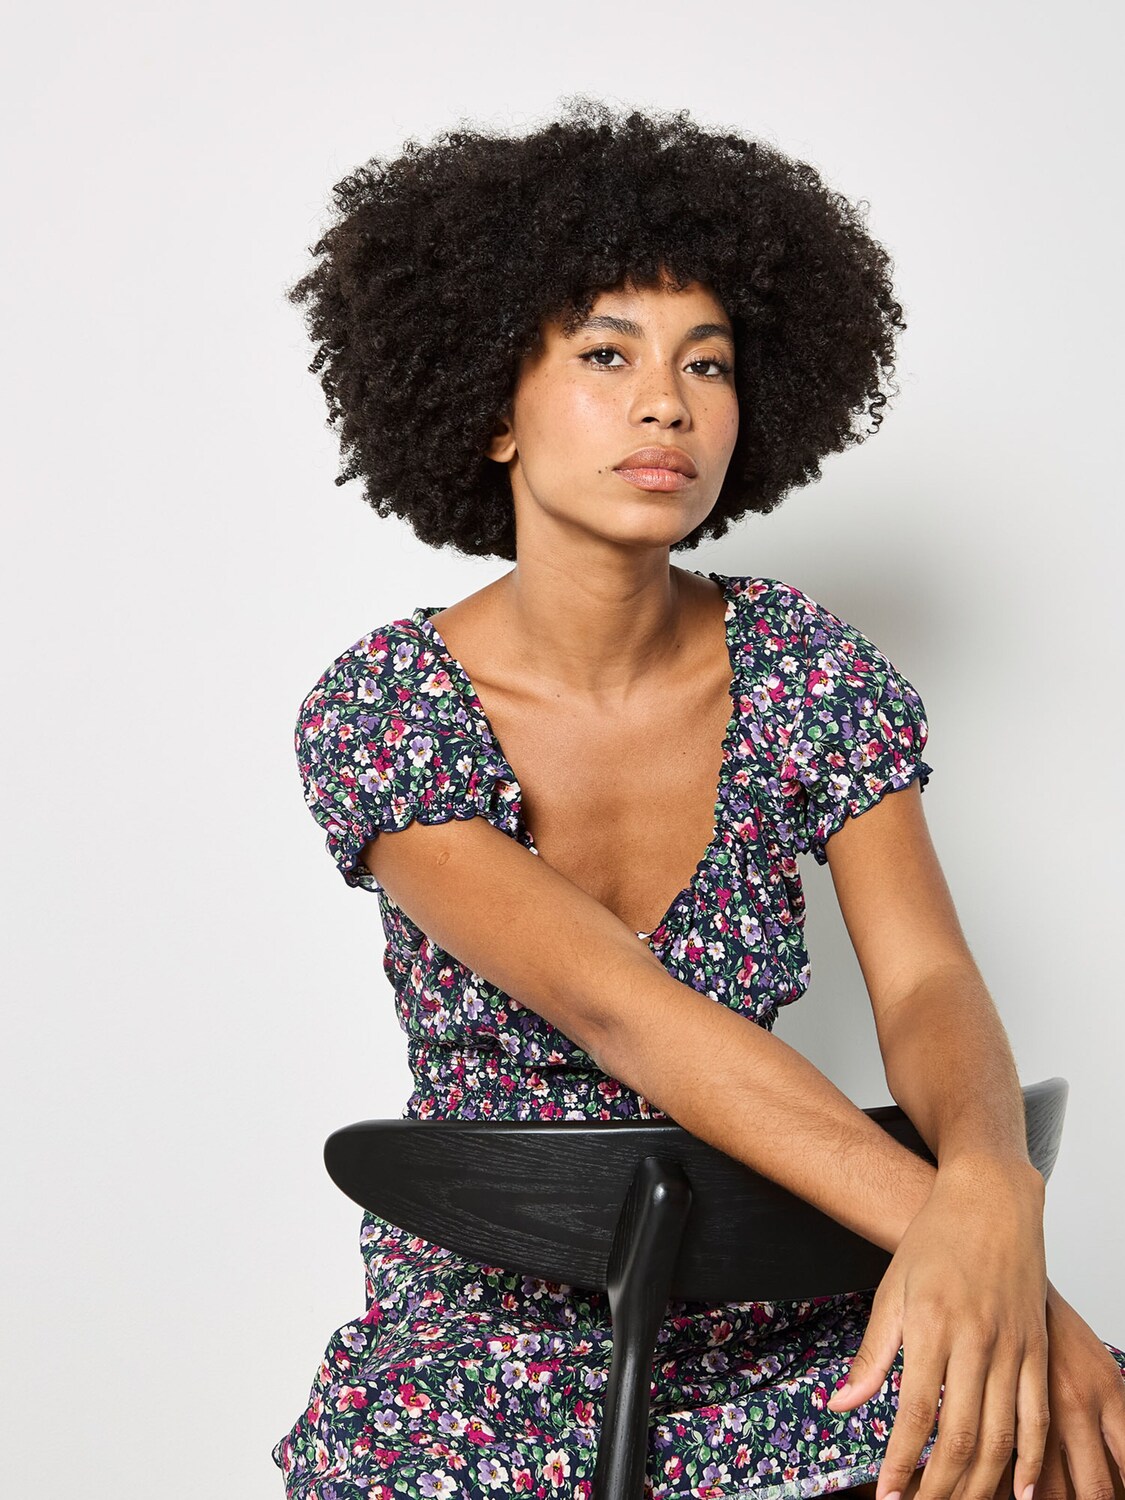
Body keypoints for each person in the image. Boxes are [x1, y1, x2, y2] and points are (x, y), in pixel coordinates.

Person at [273, 99, 1125, 1500]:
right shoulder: (388, 708)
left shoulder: (802, 665)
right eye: (606, 354)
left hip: (794, 1300)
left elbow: (924, 980)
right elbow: (625, 1013)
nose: (665, 401)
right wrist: (1015, 1283)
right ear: (489, 409)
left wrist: (990, 1190)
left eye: (706, 362)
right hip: (495, 1343)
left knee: (1076, 1440)